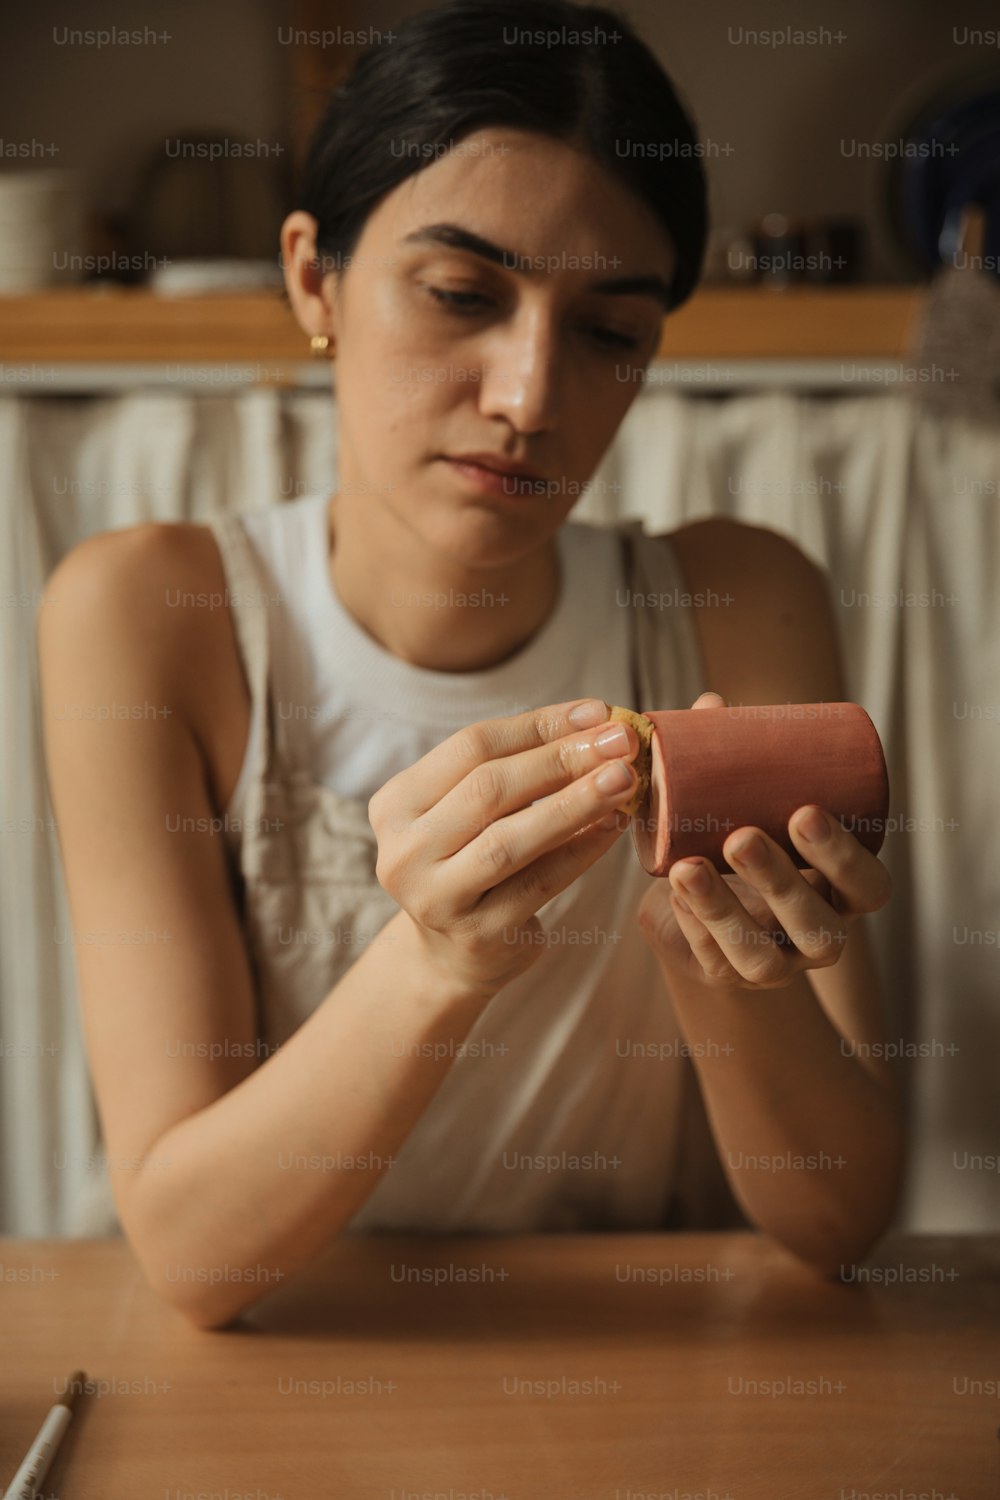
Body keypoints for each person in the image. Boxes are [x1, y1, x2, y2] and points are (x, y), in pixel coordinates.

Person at [37, 0, 903, 1329]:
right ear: (314, 282)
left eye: (611, 331)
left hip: (657, 1371)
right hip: (299, 1371)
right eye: (460, 296)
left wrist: (716, 949)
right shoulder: (151, 616)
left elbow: (839, 1222)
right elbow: (193, 1256)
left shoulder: (740, 600)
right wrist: (434, 961)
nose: (528, 394)